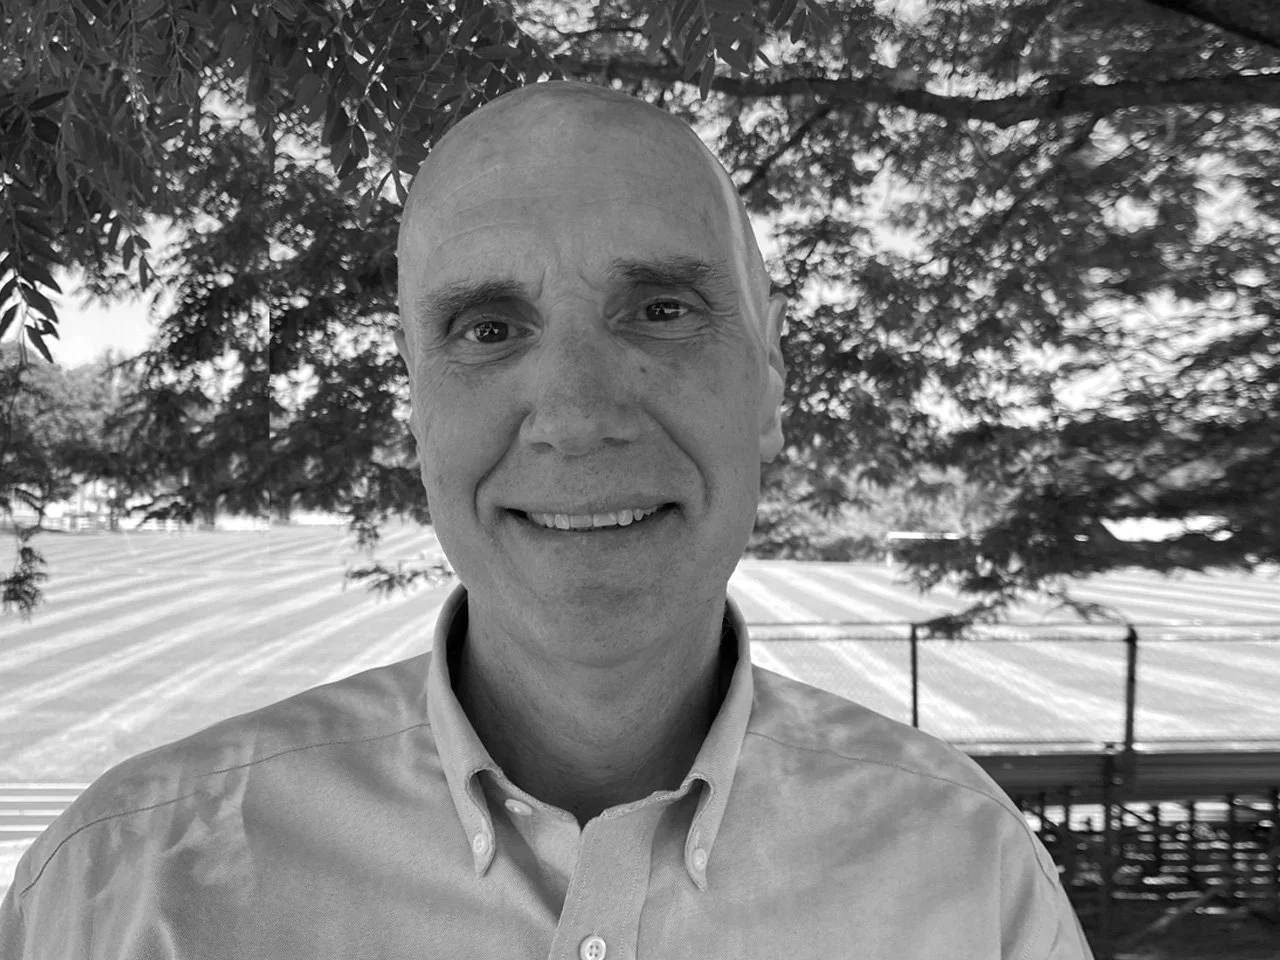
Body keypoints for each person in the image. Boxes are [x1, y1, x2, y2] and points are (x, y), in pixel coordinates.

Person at [0, 80, 1094, 959]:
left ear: (765, 385)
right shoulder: (128, 886)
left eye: (661, 310)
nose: (575, 417)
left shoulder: (962, 870)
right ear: (415, 415)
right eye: (485, 327)